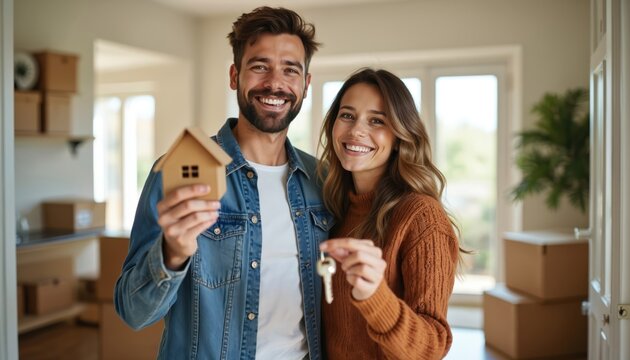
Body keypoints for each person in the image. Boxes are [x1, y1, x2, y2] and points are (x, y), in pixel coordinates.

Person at [114, 7, 333, 359]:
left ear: (306, 85)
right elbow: (133, 312)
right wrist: (171, 254)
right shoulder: (175, 173)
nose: (275, 83)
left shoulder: (323, 181)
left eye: (290, 70)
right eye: (259, 66)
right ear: (235, 76)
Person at [317, 68, 462, 360]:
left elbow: (432, 347)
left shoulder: (422, 216)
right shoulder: (331, 208)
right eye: (347, 115)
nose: (357, 130)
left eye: (377, 121)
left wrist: (375, 296)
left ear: (399, 135)